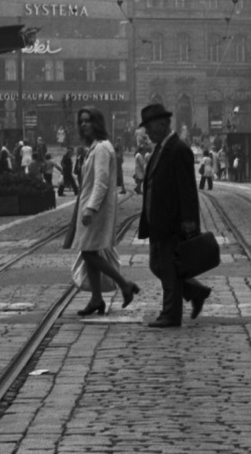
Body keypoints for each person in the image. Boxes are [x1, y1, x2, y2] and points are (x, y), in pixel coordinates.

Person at [137, 103, 210, 328]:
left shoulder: (178, 149)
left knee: (167, 267)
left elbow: (187, 190)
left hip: (172, 220)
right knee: (157, 265)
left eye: (150, 127)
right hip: (157, 219)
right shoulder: (160, 148)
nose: (147, 132)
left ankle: (171, 314)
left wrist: (189, 222)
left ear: (162, 124)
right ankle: (195, 291)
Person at [67, 106, 139, 316]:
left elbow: (101, 183)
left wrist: (90, 208)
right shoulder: (96, 147)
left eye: (88, 120)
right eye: (81, 121)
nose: (83, 125)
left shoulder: (101, 149)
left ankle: (124, 284)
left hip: (95, 210)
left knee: (89, 252)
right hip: (91, 208)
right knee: (88, 251)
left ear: (97, 123)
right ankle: (96, 299)